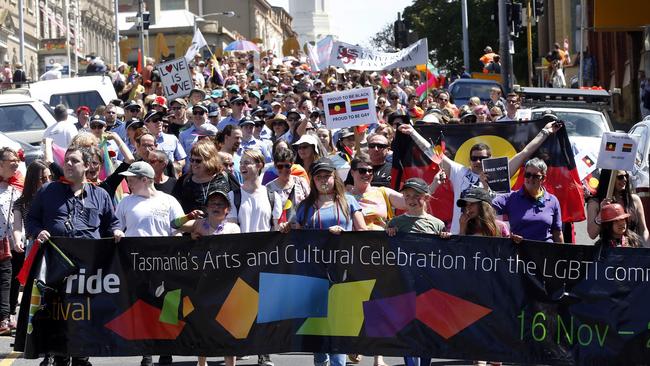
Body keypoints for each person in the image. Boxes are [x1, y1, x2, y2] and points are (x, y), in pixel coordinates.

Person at [26, 146, 124, 366]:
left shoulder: (100, 195)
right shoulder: (48, 191)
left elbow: (112, 223)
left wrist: (117, 231)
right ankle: (59, 356)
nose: (68, 164)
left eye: (74, 161)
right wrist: (37, 231)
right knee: (59, 316)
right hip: (56, 267)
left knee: (84, 317)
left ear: (88, 166)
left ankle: (82, 357)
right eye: (66, 160)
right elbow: (31, 219)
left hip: (89, 270)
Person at [398, 120, 561, 234]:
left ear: (489, 159)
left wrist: (545, 131)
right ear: (469, 160)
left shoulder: (499, 171)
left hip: (488, 236)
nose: (478, 161)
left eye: (482, 158)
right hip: (459, 234)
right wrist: (412, 133)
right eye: (474, 158)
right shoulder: (458, 171)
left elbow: (525, 153)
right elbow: (433, 153)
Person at [279, 157, 366, 366]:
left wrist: (345, 234)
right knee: (317, 325)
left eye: (327, 175)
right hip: (312, 271)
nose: (323, 180)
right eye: (319, 176)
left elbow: (363, 232)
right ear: (313, 180)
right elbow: (294, 229)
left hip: (342, 271)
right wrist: (286, 228)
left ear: (334, 177)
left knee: (338, 325)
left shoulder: (349, 201)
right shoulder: (305, 206)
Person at [114, 162, 186, 366]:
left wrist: (179, 235)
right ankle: (146, 351)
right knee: (143, 305)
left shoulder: (168, 200)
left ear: (144, 179)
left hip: (165, 261)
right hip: (137, 262)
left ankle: (166, 350)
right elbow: (116, 225)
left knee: (168, 304)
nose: (127, 181)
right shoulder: (126, 202)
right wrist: (117, 232)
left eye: (131, 178)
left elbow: (179, 225)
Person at [226, 149, 281, 366]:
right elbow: (230, 227)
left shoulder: (271, 195)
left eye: (248, 162)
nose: (243, 166)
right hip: (241, 258)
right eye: (242, 162)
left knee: (264, 307)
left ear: (259, 165)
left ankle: (263, 353)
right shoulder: (233, 196)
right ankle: (240, 347)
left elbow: (277, 226)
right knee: (240, 305)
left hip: (265, 257)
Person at [11, 160, 52, 329]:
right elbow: (17, 226)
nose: (47, 182)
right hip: (33, 246)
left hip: (54, 246)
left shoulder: (54, 198)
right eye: (43, 178)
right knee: (34, 289)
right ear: (33, 179)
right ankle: (31, 328)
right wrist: (17, 240)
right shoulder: (22, 202)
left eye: (50, 177)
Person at [492, 158, 563, 243]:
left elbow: (557, 232)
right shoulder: (511, 198)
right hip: (519, 252)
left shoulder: (552, 200)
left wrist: (562, 254)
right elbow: (485, 206)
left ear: (543, 178)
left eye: (535, 176)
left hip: (546, 252)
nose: (530, 178)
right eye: (528, 174)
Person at [586, 169, 648, 244]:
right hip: (607, 251)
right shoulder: (595, 203)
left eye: (626, 176)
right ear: (609, 178)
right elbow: (592, 234)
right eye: (620, 177)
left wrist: (646, 249)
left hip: (633, 250)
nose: (625, 179)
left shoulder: (634, 200)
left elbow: (643, 230)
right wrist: (601, 214)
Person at [173, 139, 234, 213]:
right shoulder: (184, 180)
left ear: (210, 160)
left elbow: (236, 203)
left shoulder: (225, 177)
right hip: (191, 223)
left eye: (198, 161)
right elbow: (175, 209)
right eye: (192, 160)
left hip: (220, 223)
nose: (194, 164)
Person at [348, 153, 405, 230]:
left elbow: (409, 202)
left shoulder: (383, 192)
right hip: (355, 240)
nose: (367, 174)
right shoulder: (345, 197)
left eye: (370, 170)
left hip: (382, 240)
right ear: (352, 172)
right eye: (362, 171)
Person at [0, 148, 20, 335]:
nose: (16, 163)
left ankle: (7, 316)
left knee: (10, 280)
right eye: (11, 160)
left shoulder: (15, 189)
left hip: (10, 244)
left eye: (17, 160)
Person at [266, 148, 310, 219]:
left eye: (287, 166)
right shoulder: (268, 188)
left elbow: (310, 204)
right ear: (275, 166)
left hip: (301, 226)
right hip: (278, 227)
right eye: (280, 166)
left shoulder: (301, 182)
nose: (284, 169)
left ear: (292, 164)